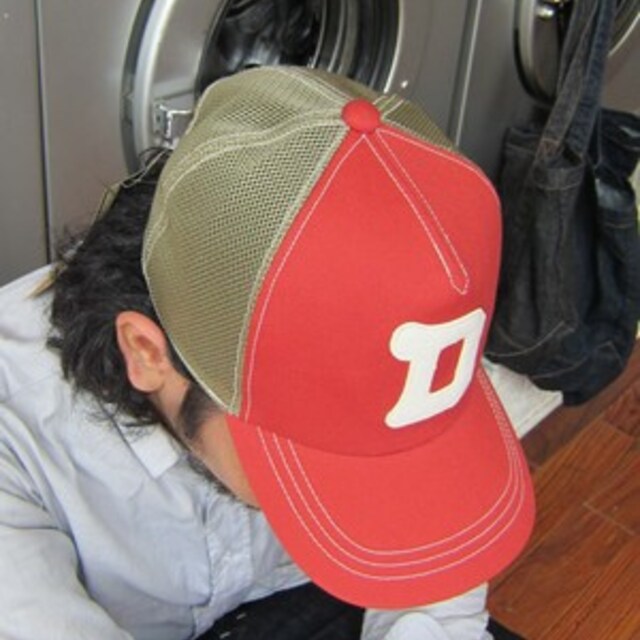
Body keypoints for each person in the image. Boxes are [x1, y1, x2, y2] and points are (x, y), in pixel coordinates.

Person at [0, 66, 534, 639]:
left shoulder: (405, 322)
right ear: (148, 354)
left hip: (312, 595)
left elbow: (435, 576)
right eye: (319, 461)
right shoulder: (19, 433)